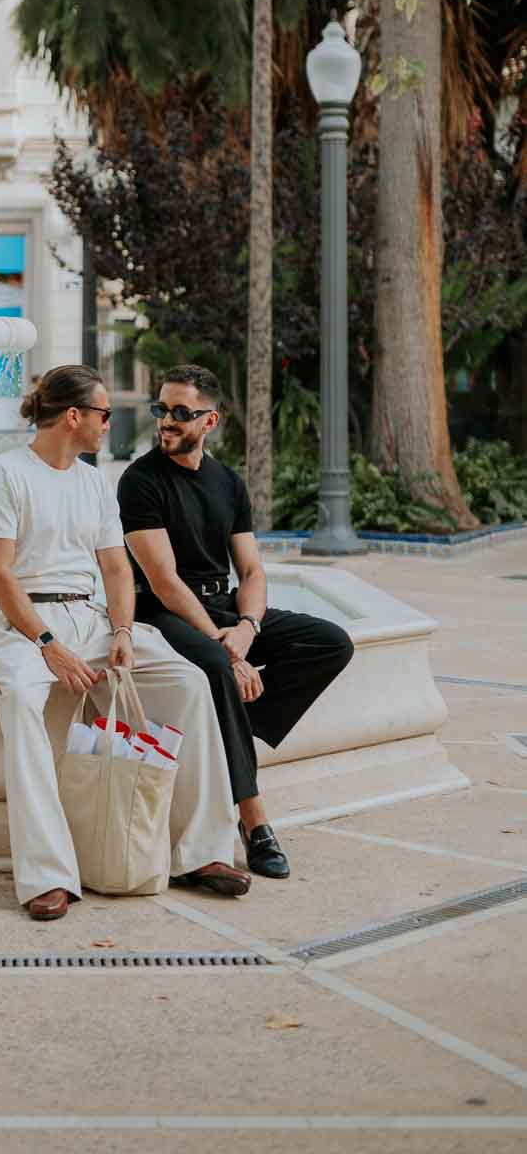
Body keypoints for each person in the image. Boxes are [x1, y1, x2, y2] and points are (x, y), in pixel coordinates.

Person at [0, 364, 251, 922]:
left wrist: (122, 631)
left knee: (190, 682)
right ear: (74, 417)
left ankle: (203, 853)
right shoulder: (4, 475)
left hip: (92, 621)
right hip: (24, 624)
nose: (109, 424)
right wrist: (48, 644)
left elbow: (117, 570)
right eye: (102, 414)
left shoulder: (93, 481)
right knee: (25, 701)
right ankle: (47, 877)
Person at [118, 363, 355, 881]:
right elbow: (163, 580)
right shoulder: (139, 481)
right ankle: (255, 824)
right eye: (162, 410)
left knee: (330, 642)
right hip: (162, 611)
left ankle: (230, 724)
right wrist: (226, 649)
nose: (167, 421)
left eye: (182, 412)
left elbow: (250, 569)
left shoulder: (228, 482)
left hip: (224, 606)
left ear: (210, 421)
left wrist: (246, 627)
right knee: (218, 671)